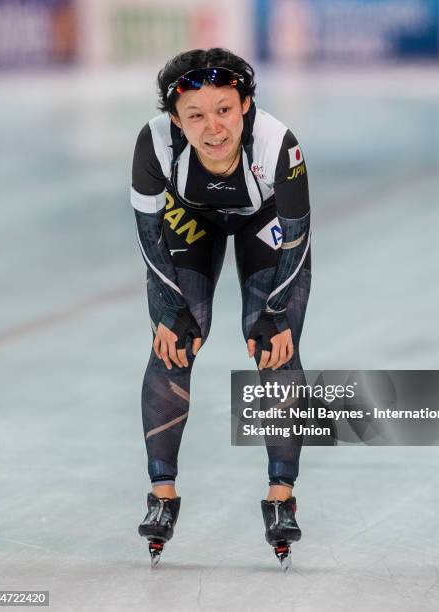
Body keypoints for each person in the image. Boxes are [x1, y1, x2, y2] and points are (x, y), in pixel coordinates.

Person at [131, 48, 311, 566]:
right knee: (174, 344)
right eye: (195, 115)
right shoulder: (154, 143)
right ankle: (161, 496)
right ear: (174, 119)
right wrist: (170, 309)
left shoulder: (279, 144)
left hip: (266, 219)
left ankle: (282, 498)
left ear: (246, 105)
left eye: (225, 110)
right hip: (192, 219)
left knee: (274, 346)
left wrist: (276, 314)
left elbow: (296, 241)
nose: (213, 128)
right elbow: (148, 236)